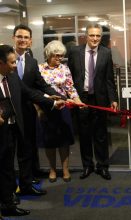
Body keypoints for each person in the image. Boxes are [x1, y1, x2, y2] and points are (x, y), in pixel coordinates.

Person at [0, 44, 65, 217]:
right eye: (12, 63)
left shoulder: (12, 77)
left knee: (9, 165)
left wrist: (51, 102)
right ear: (1, 63)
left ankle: (8, 202)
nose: (15, 66)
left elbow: (29, 92)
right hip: (1, 130)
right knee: (3, 167)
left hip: (15, 125)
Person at [12, 24, 63, 196]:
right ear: (14, 38)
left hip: (26, 111)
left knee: (27, 150)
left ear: (31, 41)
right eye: (20, 36)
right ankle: (9, 191)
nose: (23, 40)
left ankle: (26, 184)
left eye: (26, 37)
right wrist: (50, 103)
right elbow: (23, 90)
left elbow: (41, 84)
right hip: (7, 112)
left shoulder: (32, 62)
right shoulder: (5, 58)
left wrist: (57, 96)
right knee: (7, 152)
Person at [68, 23, 118, 180]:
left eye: (98, 35)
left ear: (101, 37)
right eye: (92, 35)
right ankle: (87, 166)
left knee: (101, 134)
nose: (95, 38)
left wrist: (113, 99)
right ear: (85, 36)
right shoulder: (75, 52)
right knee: (84, 134)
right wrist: (71, 96)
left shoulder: (106, 52)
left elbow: (109, 79)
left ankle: (102, 166)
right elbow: (69, 77)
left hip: (100, 99)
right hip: (81, 99)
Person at [38, 40, 83, 182]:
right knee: (49, 141)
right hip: (46, 109)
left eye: (61, 56)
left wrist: (78, 101)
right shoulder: (39, 69)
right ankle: (52, 169)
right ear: (48, 54)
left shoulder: (64, 68)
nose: (59, 59)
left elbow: (71, 88)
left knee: (64, 141)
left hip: (63, 108)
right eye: (56, 56)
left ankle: (65, 169)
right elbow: (37, 90)